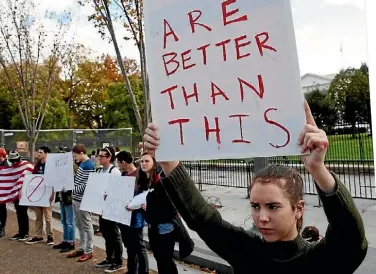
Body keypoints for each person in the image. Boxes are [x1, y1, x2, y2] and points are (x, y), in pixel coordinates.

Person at [143, 102, 368, 273]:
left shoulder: (322, 260)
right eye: (255, 206)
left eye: (272, 206)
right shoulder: (246, 251)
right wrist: (169, 163)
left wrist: (318, 169)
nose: (262, 217)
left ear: (298, 208)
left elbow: (350, 239)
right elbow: (203, 219)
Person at [137, 152, 179, 274]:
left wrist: (150, 207)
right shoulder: (146, 180)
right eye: (142, 161)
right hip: (153, 225)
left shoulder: (161, 181)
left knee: (165, 260)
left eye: (147, 161)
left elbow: (171, 206)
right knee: (160, 259)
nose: (143, 164)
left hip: (165, 226)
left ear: (154, 163)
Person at [116, 151, 149, 274]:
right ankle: (132, 269)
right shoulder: (123, 174)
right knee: (129, 245)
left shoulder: (141, 175)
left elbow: (146, 195)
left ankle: (143, 271)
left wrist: (136, 206)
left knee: (139, 245)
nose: (118, 165)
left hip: (136, 216)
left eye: (118, 163)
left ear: (123, 162)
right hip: (124, 216)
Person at [95, 147, 124, 272]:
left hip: (112, 207)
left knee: (114, 234)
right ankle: (109, 257)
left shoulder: (114, 172)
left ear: (109, 157)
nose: (99, 158)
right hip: (103, 208)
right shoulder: (100, 171)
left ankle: (118, 260)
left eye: (102, 156)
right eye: (99, 156)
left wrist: (109, 195)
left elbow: (118, 190)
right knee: (106, 234)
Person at [68, 143, 95, 262]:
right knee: (80, 225)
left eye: (76, 155)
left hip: (82, 199)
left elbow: (87, 184)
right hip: (77, 198)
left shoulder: (88, 165)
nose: (75, 158)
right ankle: (82, 247)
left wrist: (73, 189)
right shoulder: (84, 164)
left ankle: (88, 250)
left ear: (81, 153)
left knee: (86, 225)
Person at [26, 146, 54, 245]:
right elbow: (33, 178)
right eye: (38, 152)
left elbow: (53, 180)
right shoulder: (37, 165)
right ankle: (38, 235)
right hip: (38, 194)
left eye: (41, 152)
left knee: (48, 216)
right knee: (38, 216)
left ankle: (50, 235)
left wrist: (52, 194)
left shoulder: (50, 165)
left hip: (47, 193)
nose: (38, 154)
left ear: (46, 154)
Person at [52, 147, 75, 253]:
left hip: (68, 196)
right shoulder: (59, 167)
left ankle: (71, 241)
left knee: (70, 220)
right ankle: (65, 240)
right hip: (61, 195)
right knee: (64, 220)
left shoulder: (73, 167)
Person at [8, 150, 31, 242]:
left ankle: (25, 232)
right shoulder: (12, 168)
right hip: (16, 194)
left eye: (15, 160)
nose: (14, 163)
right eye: (12, 161)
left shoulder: (26, 165)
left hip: (24, 193)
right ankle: (20, 232)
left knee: (23, 213)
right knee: (19, 212)